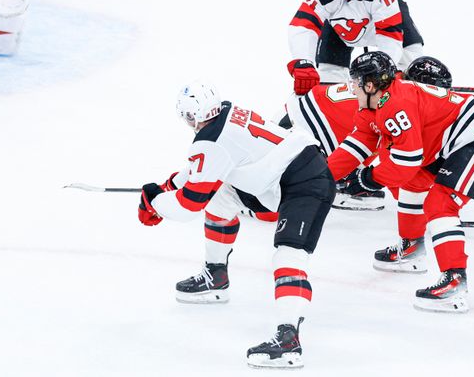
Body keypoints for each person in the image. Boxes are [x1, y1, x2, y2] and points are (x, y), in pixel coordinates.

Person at [137, 81, 335, 369]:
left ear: (192, 116)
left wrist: (155, 202)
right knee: (219, 197)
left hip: (305, 184)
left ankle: (289, 340)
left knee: (288, 255)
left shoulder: (209, 140)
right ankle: (215, 276)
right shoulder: (226, 115)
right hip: (281, 178)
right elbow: (201, 172)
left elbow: (188, 205)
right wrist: (165, 187)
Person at [327, 52, 474, 312]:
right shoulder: (374, 104)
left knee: (440, 204)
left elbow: (406, 162)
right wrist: (323, 176)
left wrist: (368, 179)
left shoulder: (395, 103)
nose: (352, 86)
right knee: (413, 185)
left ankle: (454, 282)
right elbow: (359, 142)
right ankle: (412, 247)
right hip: (452, 144)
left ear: (370, 85)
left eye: (356, 81)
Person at [282, 57, 454, 211]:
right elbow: (400, 172)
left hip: (300, 114)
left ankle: (331, 181)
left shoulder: (384, 86)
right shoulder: (395, 104)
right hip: (309, 126)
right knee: (276, 200)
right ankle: (340, 185)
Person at [286, 0, 424, 95]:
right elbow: (303, 23)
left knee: (412, 69)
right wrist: (303, 61)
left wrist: (385, 69)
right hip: (341, 30)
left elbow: (389, 31)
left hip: (385, 23)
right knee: (327, 82)